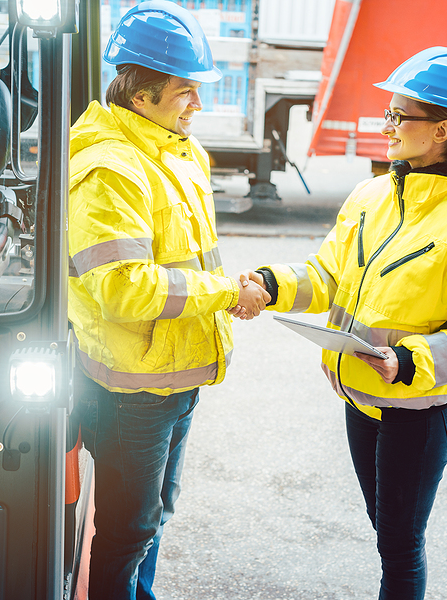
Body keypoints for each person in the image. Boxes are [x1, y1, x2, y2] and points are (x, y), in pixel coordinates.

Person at [239, 47, 447, 599]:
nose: (386, 125)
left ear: (441, 130)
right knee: (386, 532)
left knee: (399, 546)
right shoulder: (370, 197)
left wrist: (410, 362)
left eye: (399, 116)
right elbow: (327, 273)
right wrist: (271, 286)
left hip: (415, 413)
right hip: (360, 401)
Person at [67, 2, 270, 598]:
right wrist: (226, 292)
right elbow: (123, 289)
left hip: (175, 373)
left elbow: (185, 262)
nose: (198, 105)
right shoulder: (110, 168)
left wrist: (223, 294)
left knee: (155, 517)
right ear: (140, 95)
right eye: (185, 92)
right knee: (129, 530)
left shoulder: (176, 151)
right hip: (136, 388)